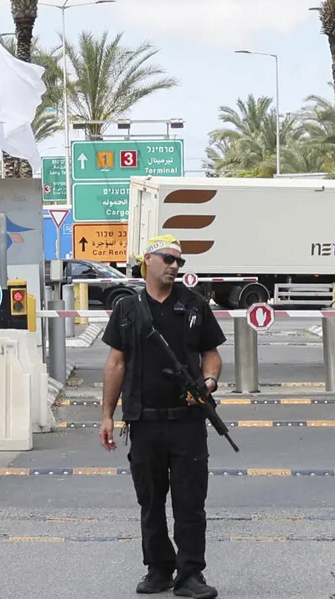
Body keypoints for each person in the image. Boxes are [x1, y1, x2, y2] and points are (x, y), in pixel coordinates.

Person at [101, 236, 225, 599]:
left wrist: (209, 381)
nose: (174, 266)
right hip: (143, 420)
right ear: (148, 261)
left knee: (190, 501)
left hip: (187, 420)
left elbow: (211, 355)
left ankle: (190, 575)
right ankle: (158, 569)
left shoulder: (194, 305)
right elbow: (115, 363)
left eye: (179, 262)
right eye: (168, 259)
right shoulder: (127, 309)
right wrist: (107, 415)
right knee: (150, 499)